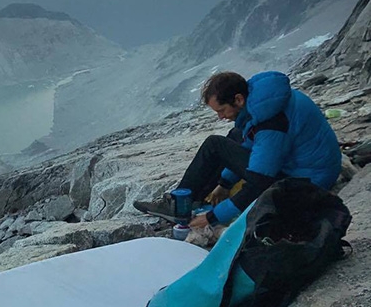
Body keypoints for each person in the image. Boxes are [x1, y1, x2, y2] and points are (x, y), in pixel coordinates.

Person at [134, 71, 342, 228]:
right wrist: (224, 184)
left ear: (239, 99)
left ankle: (179, 206)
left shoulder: (271, 123)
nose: (221, 117)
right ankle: (192, 199)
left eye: (222, 110)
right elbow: (251, 144)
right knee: (235, 135)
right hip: (309, 170)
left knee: (214, 145)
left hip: (306, 185)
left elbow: (259, 182)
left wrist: (212, 217)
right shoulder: (268, 103)